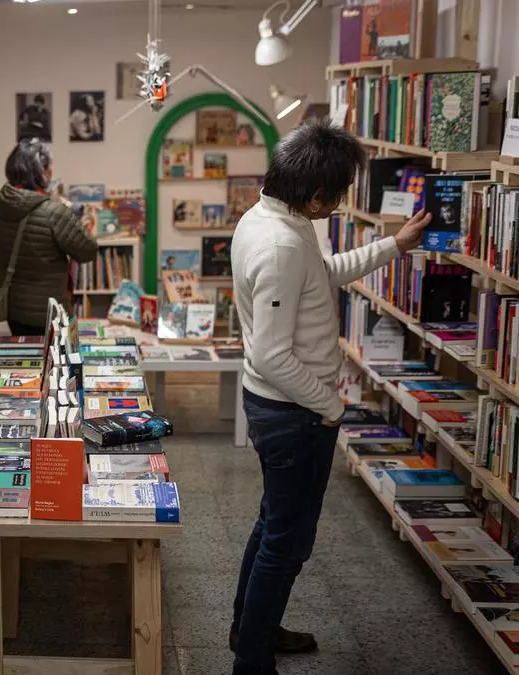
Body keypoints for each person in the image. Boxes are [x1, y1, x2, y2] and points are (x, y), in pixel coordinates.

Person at [229, 122, 431, 675]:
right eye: (338, 194)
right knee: (287, 541)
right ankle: (251, 659)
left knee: (275, 525)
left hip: (285, 407)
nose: (341, 203)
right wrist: (331, 406)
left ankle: (251, 629)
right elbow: (272, 355)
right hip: (292, 413)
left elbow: (323, 274)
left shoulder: (274, 219)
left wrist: (394, 245)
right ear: (315, 196)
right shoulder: (280, 245)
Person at [0, 139, 97, 336]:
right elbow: (88, 251)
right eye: (49, 168)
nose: (51, 173)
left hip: (14, 309)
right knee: (57, 356)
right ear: (41, 172)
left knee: (26, 354)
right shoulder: (52, 212)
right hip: (51, 312)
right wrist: (84, 223)